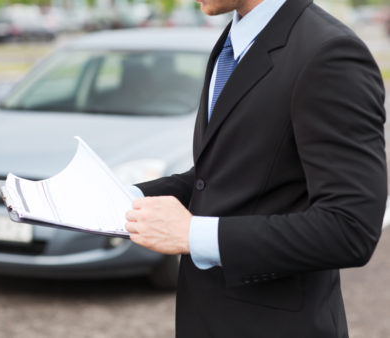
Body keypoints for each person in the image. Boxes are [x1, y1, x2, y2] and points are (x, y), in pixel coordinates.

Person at [124, 0, 387, 337]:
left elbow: (351, 228)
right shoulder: (231, 42)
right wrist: (122, 196)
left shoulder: (330, 53)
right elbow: (219, 174)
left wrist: (193, 234)